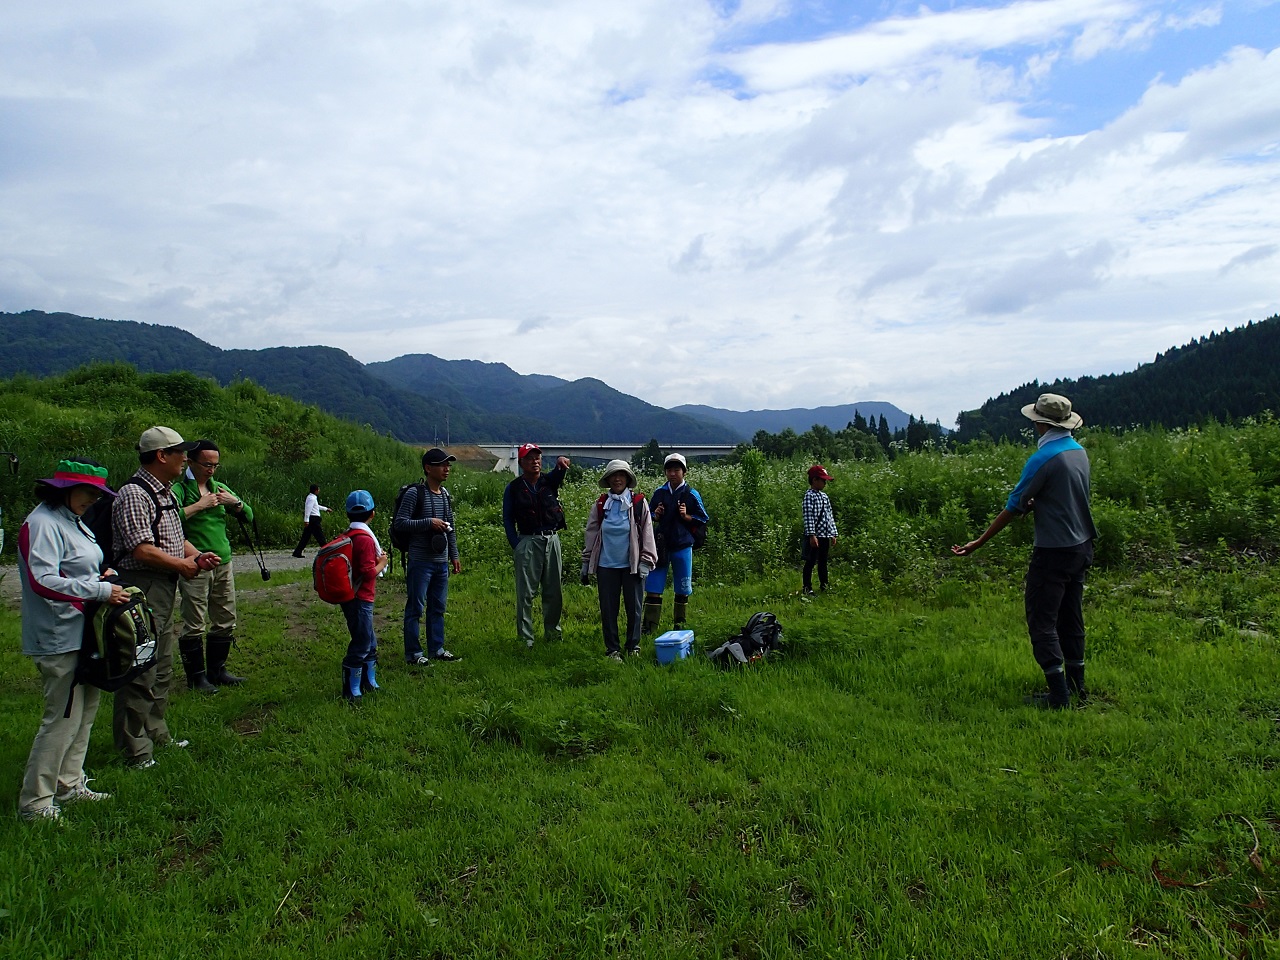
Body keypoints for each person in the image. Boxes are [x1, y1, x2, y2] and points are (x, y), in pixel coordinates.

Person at [952, 393, 1098, 710]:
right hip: (1082, 546)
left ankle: (1058, 697)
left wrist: (978, 542)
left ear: (1040, 423)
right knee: (1071, 618)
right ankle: (1078, 689)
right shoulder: (1078, 452)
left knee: (1042, 621)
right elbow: (1067, 495)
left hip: (1054, 552)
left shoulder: (1042, 459)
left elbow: (1013, 507)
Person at [17, 459, 129, 821]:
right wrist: (98, 589)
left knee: (85, 712)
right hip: (58, 634)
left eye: (98, 494)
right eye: (88, 492)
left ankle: (69, 783)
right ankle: (35, 803)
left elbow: (75, 565)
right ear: (64, 489)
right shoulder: (42, 523)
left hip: (85, 633)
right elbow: (42, 580)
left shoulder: (72, 520)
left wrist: (101, 574)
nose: (93, 500)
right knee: (62, 716)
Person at [112, 426, 221, 768]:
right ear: (161, 455)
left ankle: (157, 732)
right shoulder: (134, 494)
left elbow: (174, 537)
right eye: (180, 452)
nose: (186, 458)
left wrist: (197, 554)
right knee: (139, 665)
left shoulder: (168, 493)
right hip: (143, 585)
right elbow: (142, 550)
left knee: (160, 665)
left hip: (163, 584)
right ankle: (135, 749)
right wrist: (181, 565)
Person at [173, 440, 253, 692]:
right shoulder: (179, 490)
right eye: (207, 464)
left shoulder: (219, 488)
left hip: (223, 562)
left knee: (225, 617)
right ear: (190, 461)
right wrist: (200, 506)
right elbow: (168, 519)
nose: (211, 470)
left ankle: (217, 671)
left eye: (215, 465)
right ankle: (196, 678)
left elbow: (249, 515)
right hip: (195, 563)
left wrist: (234, 503)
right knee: (194, 620)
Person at [581, 460, 658, 661]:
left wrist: (646, 560)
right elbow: (591, 533)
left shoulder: (639, 502)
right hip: (606, 565)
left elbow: (648, 532)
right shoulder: (600, 505)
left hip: (632, 566)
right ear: (608, 480)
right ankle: (612, 650)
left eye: (621, 475)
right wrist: (586, 561)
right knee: (608, 609)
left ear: (627, 479)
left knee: (634, 608)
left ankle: (633, 647)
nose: (617, 479)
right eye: (613, 475)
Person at [393, 447, 462, 665]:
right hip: (420, 561)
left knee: (438, 607)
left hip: (440, 562)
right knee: (415, 608)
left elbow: (450, 527)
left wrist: (454, 555)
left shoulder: (445, 495)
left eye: (448, 464)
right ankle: (413, 653)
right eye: (442, 464)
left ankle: (437, 649)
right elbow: (400, 523)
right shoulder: (415, 494)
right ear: (427, 468)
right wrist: (428, 522)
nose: (446, 468)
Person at [502, 443, 571, 648]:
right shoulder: (513, 488)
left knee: (554, 590)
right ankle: (526, 639)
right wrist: (516, 544)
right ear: (521, 462)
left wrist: (561, 461)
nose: (535, 461)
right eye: (530, 458)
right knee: (525, 593)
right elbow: (507, 518)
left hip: (552, 539)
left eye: (538, 457)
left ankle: (553, 634)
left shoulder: (548, 482)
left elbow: (560, 472)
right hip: (527, 541)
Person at [642, 453, 710, 633]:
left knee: (683, 586)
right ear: (665, 472)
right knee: (654, 585)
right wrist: (655, 513)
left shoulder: (691, 494)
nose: (673, 474)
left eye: (676, 470)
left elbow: (703, 518)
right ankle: (649, 627)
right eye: (669, 470)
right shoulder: (660, 492)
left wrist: (687, 516)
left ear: (684, 472)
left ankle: (680, 625)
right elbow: (648, 516)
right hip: (661, 545)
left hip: (682, 544)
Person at [338, 490, 390, 702]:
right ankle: (351, 689)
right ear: (373, 514)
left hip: (352, 597)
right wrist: (383, 563)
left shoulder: (349, 535)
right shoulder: (366, 540)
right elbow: (368, 572)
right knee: (361, 643)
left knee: (370, 642)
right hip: (361, 598)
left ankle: (368, 682)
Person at [802, 464, 839, 594]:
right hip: (815, 536)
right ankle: (807, 588)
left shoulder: (824, 497)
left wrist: (833, 533)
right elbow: (809, 516)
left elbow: (829, 516)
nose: (824, 483)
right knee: (810, 562)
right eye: (822, 480)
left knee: (823, 562)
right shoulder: (809, 496)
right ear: (814, 480)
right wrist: (812, 535)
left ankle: (825, 585)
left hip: (825, 535)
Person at [291, 483, 330, 558]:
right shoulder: (312, 498)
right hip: (313, 520)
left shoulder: (311, 498)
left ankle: (297, 552)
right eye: (318, 489)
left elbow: (316, 506)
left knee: (305, 537)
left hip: (312, 519)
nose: (319, 491)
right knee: (320, 536)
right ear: (315, 490)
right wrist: (306, 520)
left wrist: (325, 509)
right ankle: (326, 550)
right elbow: (308, 509)